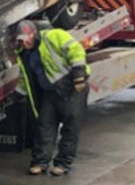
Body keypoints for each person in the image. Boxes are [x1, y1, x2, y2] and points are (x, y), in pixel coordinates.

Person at [14, 19, 90, 176]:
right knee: (44, 126)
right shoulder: (24, 54)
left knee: (71, 127)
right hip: (50, 92)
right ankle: (39, 162)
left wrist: (79, 75)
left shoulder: (54, 36)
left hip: (72, 88)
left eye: (27, 38)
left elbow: (75, 50)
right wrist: (18, 94)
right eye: (21, 40)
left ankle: (62, 164)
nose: (25, 43)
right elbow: (26, 77)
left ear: (34, 34)